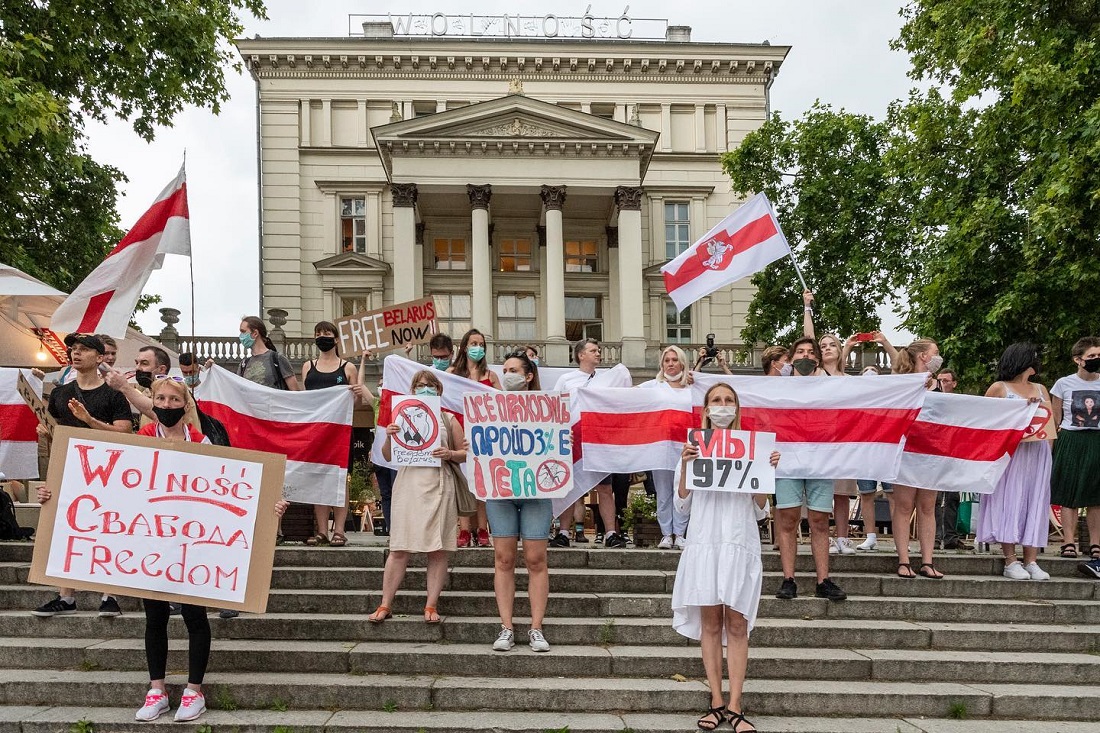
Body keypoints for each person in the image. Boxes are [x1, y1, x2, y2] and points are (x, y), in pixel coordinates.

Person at [35, 376, 289, 722]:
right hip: (149, 545)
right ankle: (156, 690)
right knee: (154, 618)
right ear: (151, 403)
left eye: (174, 399)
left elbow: (230, 490)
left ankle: (193, 691)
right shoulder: (137, 443)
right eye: (161, 399)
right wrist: (53, 494)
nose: (167, 405)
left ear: (186, 406)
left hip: (192, 545)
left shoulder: (202, 442)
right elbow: (99, 483)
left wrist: (270, 506)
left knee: (194, 616)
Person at [672, 382, 780, 733]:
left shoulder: (752, 450)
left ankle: (735, 705)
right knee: (710, 623)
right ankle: (715, 700)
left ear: (737, 407)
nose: (722, 406)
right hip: (705, 541)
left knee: (736, 623)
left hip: (738, 540)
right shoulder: (692, 449)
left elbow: (761, 508)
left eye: (728, 400)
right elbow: (681, 504)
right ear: (705, 409)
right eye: (716, 401)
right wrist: (687, 466)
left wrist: (768, 471)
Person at [32, 333, 133, 618]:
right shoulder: (61, 394)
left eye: (84, 350)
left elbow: (125, 432)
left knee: (107, 529)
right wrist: (46, 432)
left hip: (107, 472)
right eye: (73, 350)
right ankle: (66, 596)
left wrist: (90, 421)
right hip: (69, 469)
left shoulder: (114, 395)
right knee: (67, 529)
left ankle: (109, 594)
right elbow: (54, 432)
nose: (76, 354)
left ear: (100, 358)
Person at [369, 370, 466, 624]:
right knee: (399, 547)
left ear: (439, 390)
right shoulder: (399, 417)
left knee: (437, 549)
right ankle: (385, 603)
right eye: (420, 385)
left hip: (439, 485)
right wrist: (390, 436)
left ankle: (431, 605)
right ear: (412, 391)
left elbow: (465, 453)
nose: (425, 389)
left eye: (430, 385)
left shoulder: (448, 419)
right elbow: (387, 456)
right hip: (408, 483)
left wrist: (450, 454)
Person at [483, 351, 552, 652]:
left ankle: (536, 628)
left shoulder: (549, 408)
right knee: (504, 559)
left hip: (535, 491)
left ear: (528, 376)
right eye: (505, 369)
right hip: (501, 490)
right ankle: (507, 627)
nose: (507, 373)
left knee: (536, 559)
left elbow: (557, 445)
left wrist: (564, 441)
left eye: (514, 369)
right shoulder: (490, 408)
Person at [773, 337, 846, 601]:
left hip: (820, 460)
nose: (806, 356)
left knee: (819, 521)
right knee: (789, 519)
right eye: (800, 352)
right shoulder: (777, 388)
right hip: (788, 461)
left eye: (810, 352)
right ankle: (789, 578)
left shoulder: (830, 385)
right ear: (791, 358)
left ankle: (822, 580)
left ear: (817, 358)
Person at [977, 344, 1053, 580]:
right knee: (1009, 500)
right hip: (1011, 454)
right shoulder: (999, 388)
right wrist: (1019, 408)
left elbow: (1049, 423)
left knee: (1034, 501)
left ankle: (1032, 560)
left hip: (1037, 452)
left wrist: (1047, 454)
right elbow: (987, 422)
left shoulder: (1041, 388)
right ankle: (1011, 560)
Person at [552, 338, 626, 548]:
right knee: (568, 488)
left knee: (605, 488)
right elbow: (556, 408)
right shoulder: (566, 379)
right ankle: (564, 533)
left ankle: (611, 533)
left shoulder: (607, 379)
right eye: (593, 350)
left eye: (598, 350)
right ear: (580, 355)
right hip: (573, 440)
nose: (598, 353)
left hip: (598, 442)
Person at [301, 321, 368, 547]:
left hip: (339, 433)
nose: (322, 336)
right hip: (315, 433)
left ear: (336, 339)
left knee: (340, 480)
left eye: (327, 333)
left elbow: (356, 405)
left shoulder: (348, 367)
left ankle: (339, 530)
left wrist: (357, 394)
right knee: (317, 478)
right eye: (318, 333)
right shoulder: (308, 367)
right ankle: (322, 530)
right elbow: (305, 400)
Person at [891, 338, 946, 579]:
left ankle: (927, 560)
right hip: (906, 450)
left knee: (927, 506)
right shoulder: (901, 382)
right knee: (904, 506)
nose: (938, 357)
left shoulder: (938, 384)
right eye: (935, 353)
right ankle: (903, 559)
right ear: (923, 356)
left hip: (931, 451)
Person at [1049, 337, 1100, 575]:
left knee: (1095, 495)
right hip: (1070, 439)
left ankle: (1095, 545)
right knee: (1068, 492)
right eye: (1091, 356)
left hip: (1096, 440)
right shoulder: (1062, 384)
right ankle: (1068, 542)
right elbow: (1055, 418)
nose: (1095, 360)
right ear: (1078, 359)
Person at [449, 328, 500, 547]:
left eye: (481, 344)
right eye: (473, 343)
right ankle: (464, 530)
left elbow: (503, 403)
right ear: (464, 347)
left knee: (481, 483)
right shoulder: (452, 373)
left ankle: (482, 529)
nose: (477, 347)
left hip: (484, 435)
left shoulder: (491, 376)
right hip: (459, 430)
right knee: (463, 483)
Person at [640, 345, 693, 550]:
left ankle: (680, 534)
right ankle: (666, 535)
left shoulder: (693, 387)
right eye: (666, 360)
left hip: (685, 448)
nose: (670, 364)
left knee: (683, 492)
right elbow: (626, 396)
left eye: (674, 360)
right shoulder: (654, 385)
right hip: (660, 448)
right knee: (663, 493)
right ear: (662, 364)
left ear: (682, 362)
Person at [238, 316, 299, 390]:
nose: (241, 336)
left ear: (255, 333)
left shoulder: (278, 359)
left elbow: (295, 392)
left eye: (243, 332)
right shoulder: (243, 364)